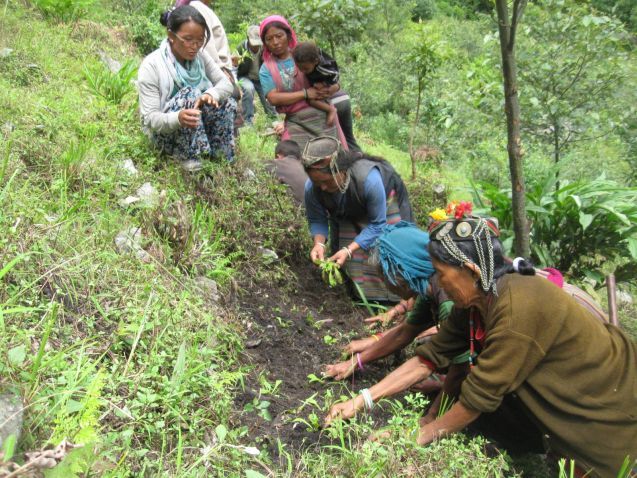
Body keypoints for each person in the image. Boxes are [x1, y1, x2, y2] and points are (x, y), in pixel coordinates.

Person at [326, 209, 637, 478]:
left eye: (440, 274)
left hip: (610, 404)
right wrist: (360, 401)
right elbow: (428, 357)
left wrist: (416, 437)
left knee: (599, 463)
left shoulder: (518, 307)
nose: (437, 282)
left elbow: (478, 397)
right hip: (577, 390)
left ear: (471, 271)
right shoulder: (478, 300)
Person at [323, 222, 452, 386]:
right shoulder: (429, 290)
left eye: (384, 277)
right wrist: (356, 362)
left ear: (402, 271)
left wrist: (440, 385)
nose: (385, 284)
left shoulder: (448, 300)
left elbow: (463, 362)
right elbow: (404, 333)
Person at [303, 136, 412, 301]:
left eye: (326, 181)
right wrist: (319, 243)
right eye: (317, 183)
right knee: (350, 258)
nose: (322, 187)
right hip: (349, 208)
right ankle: (357, 297)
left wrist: (349, 249)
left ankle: (395, 300)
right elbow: (317, 219)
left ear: (341, 170)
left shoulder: (369, 180)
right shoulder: (313, 188)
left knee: (386, 250)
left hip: (383, 207)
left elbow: (377, 224)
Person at [138, 5, 236, 169]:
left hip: (195, 125)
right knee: (190, 94)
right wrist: (177, 118)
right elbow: (150, 118)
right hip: (165, 134)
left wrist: (211, 94)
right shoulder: (152, 65)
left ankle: (221, 158)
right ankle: (190, 159)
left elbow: (226, 84)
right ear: (171, 35)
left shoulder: (201, 57)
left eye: (200, 40)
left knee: (225, 101)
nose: (195, 46)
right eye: (188, 40)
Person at [258, 15, 347, 153]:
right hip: (296, 121)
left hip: (322, 114)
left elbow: (330, 74)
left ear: (288, 35)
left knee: (334, 158)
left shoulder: (303, 54)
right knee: (292, 158)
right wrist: (305, 93)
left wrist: (333, 88)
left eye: (279, 36)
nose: (275, 42)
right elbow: (273, 98)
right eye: (269, 39)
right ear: (264, 42)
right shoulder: (266, 68)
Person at [293, 41, 361, 152]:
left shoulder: (322, 68)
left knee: (336, 143)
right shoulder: (310, 57)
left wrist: (326, 85)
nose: (302, 71)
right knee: (349, 138)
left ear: (315, 61)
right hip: (343, 98)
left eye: (305, 69)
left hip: (334, 100)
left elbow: (335, 75)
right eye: (300, 68)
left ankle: (330, 110)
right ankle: (360, 159)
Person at [236, 25, 277, 125]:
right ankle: (248, 121)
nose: (255, 46)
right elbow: (234, 67)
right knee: (249, 89)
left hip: (260, 77)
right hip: (245, 76)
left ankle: (273, 118)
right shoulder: (241, 48)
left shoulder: (264, 48)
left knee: (268, 95)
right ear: (248, 38)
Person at [174, 0, 231, 69]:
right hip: (216, 70)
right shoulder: (197, 7)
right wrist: (220, 69)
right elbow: (207, 44)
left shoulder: (196, 7)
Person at [265, 140, 308, 206]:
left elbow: (258, 165)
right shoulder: (306, 168)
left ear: (278, 156)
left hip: (299, 210)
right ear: (299, 157)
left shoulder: (278, 163)